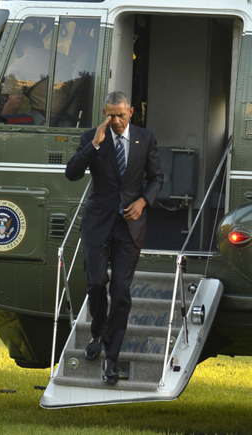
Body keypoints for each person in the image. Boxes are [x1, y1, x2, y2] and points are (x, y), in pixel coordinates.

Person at [65, 91, 163, 384]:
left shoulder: (145, 138)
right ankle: (97, 334)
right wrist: (94, 145)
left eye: (121, 115)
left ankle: (111, 357)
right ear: (105, 114)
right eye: (111, 115)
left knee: (120, 290)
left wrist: (143, 201)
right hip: (98, 223)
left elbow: (157, 177)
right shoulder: (92, 138)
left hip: (129, 226)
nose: (116, 121)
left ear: (131, 112)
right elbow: (71, 173)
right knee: (96, 283)